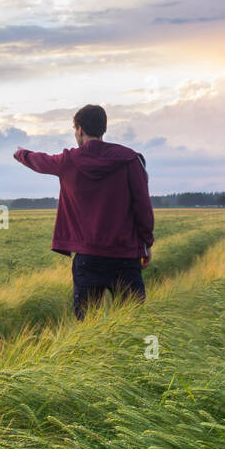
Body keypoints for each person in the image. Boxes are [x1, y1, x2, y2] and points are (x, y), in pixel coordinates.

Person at [13, 104, 154, 320]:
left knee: (87, 328)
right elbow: (142, 207)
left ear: (79, 130)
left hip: (88, 259)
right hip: (125, 256)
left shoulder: (68, 160)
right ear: (103, 128)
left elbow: (41, 161)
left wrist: (21, 154)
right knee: (134, 324)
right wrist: (146, 244)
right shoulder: (130, 160)